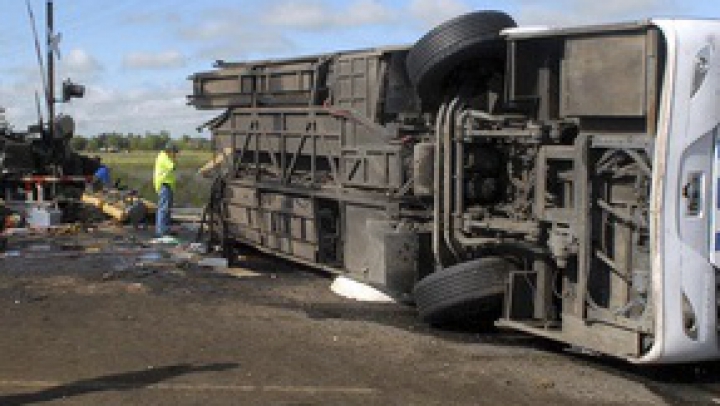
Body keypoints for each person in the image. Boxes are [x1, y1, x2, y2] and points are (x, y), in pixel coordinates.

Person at [154, 142, 179, 237]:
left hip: (168, 186)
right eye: (174, 152)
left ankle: (166, 229)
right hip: (164, 185)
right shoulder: (163, 157)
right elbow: (173, 167)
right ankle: (160, 231)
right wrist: (173, 159)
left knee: (167, 209)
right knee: (163, 208)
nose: (175, 154)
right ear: (169, 151)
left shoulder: (165, 157)